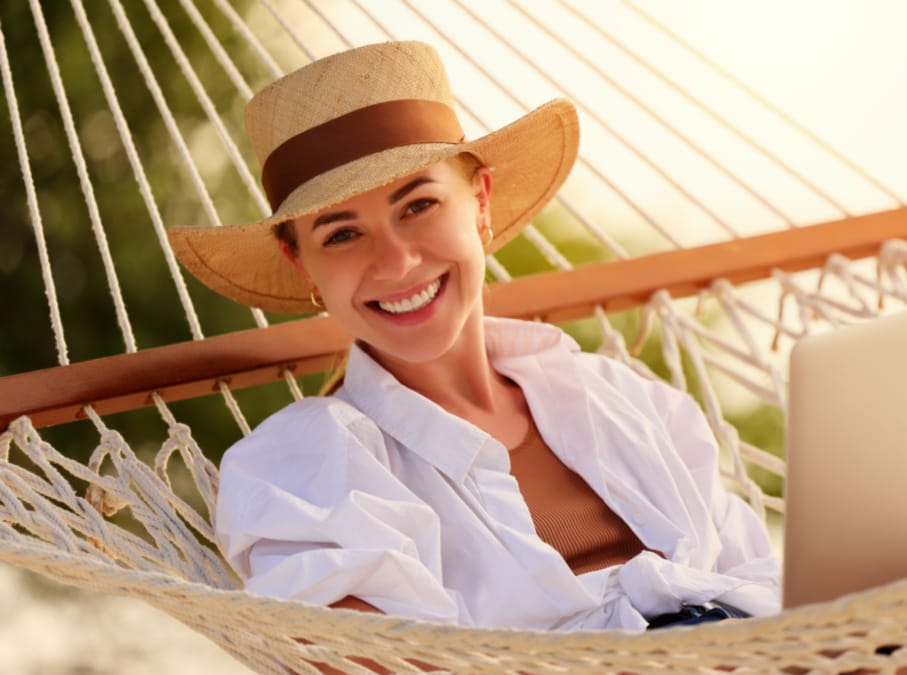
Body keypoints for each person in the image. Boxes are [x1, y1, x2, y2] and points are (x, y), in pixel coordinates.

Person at [167, 41, 780, 632]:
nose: (396, 263)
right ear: (302, 263)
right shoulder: (308, 469)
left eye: (417, 206)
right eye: (342, 235)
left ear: (480, 201)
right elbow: (366, 661)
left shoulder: (621, 398)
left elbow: (765, 581)